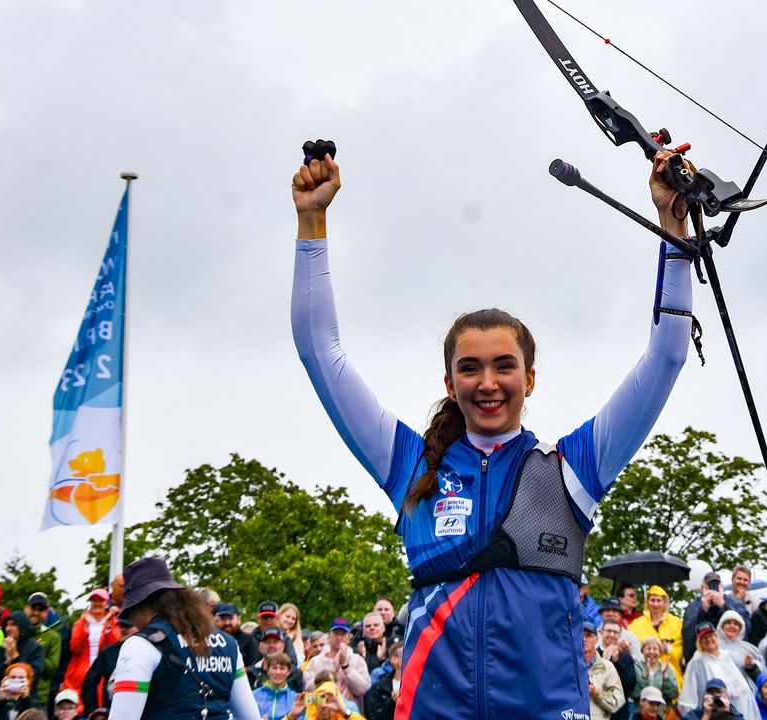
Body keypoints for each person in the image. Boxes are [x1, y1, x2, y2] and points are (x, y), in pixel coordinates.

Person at [290, 148, 694, 718]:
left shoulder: (570, 469)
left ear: (530, 377)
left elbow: (667, 357)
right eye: (470, 368)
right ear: (450, 381)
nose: (488, 382)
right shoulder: (410, 464)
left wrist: (674, 232)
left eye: (505, 366)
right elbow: (318, 350)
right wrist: (311, 222)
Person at [106, 556, 259, 720]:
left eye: (129, 614)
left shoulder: (139, 645)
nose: (133, 622)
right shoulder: (228, 643)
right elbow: (250, 717)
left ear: (139, 605)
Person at [678, 623, 756, 719]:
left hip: (732, 709)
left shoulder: (725, 656)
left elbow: (737, 683)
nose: (709, 640)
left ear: (716, 636)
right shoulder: (696, 662)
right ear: (699, 642)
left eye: (711, 636)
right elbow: (689, 695)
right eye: (704, 638)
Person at [63, 589, 119, 705]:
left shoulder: (113, 621)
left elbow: (114, 647)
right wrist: (86, 627)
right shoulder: (81, 622)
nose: (97, 604)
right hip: (81, 670)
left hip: (103, 670)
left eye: (101, 601)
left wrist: (108, 625)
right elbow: (75, 647)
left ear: (107, 603)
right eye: (94, 600)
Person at [302, 618, 369, 710]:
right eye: (336, 633)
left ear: (349, 638)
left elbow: (363, 690)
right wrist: (332, 669)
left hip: (350, 714)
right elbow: (308, 692)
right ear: (329, 636)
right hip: (321, 714)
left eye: (343, 634)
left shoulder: (358, 660)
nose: (339, 637)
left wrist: (346, 667)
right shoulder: (314, 662)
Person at [630, 586, 686, 689]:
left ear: (664, 602)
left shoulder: (676, 622)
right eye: (652, 600)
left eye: (659, 600)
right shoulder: (636, 624)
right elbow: (633, 650)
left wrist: (668, 649)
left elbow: (680, 648)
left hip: (671, 675)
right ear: (647, 602)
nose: (655, 604)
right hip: (646, 675)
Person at [0, 613, 47, 703]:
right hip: (2, 700)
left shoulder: (35, 648)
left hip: (26, 699)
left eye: (13, 625)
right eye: (6, 625)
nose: (8, 629)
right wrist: (7, 662)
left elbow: (34, 674)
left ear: (22, 626)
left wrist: (15, 656)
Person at [82, 618, 136, 715]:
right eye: (121, 626)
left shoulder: (147, 652)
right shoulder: (108, 653)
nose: (123, 630)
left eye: (128, 626)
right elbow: (89, 683)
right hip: (112, 712)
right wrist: (94, 711)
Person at [25, 593, 64, 709]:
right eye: (33, 608)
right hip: (14, 693)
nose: (36, 613)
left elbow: (52, 669)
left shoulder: (53, 637)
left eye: (40, 609)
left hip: (38, 697)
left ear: (46, 613)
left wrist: (36, 651)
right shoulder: (17, 631)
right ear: (26, 609)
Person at [684, 572, 735, 657]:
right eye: (710, 585)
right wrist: (703, 610)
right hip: (703, 655)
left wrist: (723, 605)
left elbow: (741, 627)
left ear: (721, 587)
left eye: (716, 585)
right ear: (703, 587)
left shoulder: (731, 602)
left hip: (727, 655)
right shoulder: (694, 605)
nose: (713, 588)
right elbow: (688, 634)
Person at [583, 622, 625, 720]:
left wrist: (597, 694)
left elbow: (618, 701)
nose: (584, 639)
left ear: (597, 639)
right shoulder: (567, 665)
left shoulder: (607, 667)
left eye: (589, 636)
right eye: (581, 635)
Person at [598, 619, 637, 717]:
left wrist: (617, 662)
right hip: (596, 710)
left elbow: (630, 685)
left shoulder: (626, 657)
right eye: (608, 631)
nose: (611, 635)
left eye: (615, 632)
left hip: (619, 712)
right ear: (601, 632)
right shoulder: (593, 654)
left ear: (620, 635)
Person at [716, 611, 763, 689]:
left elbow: (761, 678)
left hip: (745, 693)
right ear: (721, 626)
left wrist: (751, 667)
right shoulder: (714, 646)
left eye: (736, 624)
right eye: (728, 623)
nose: (732, 626)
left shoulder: (748, 649)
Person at [248, 628, 304, 692]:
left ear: (283, 646)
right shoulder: (250, 673)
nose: (271, 646)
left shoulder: (295, 674)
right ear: (260, 646)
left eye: (275, 642)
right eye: (267, 642)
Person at [251, 653, 304, 720]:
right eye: (274, 668)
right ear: (268, 670)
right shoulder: (254, 696)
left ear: (289, 672)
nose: (278, 672)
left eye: (282, 668)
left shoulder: (295, 699)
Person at [633, 636, 680, 708]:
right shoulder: (637, 667)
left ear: (660, 652)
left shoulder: (667, 668)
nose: (651, 652)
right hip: (641, 713)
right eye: (648, 648)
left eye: (655, 649)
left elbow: (673, 694)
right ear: (642, 651)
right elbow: (635, 694)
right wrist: (645, 676)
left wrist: (664, 675)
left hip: (661, 713)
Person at [362, 642, 403, 720]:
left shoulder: (419, 685)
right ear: (393, 659)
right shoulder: (378, 688)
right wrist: (392, 702)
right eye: (405, 654)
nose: (410, 657)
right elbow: (373, 716)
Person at [212, 603, 260, 667]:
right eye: (223, 619)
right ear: (216, 620)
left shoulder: (248, 641)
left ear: (238, 619)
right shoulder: (211, 641)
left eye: (230, 618)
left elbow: (252, 667)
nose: (227, 623)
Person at [601, 598, 644, 666]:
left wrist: (625, 655)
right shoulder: (593, 634)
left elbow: (641, 661)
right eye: (607, 610)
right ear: (601, 614)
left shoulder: (630, 636)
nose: (610, 613)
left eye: (614, 611)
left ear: (620, 615)